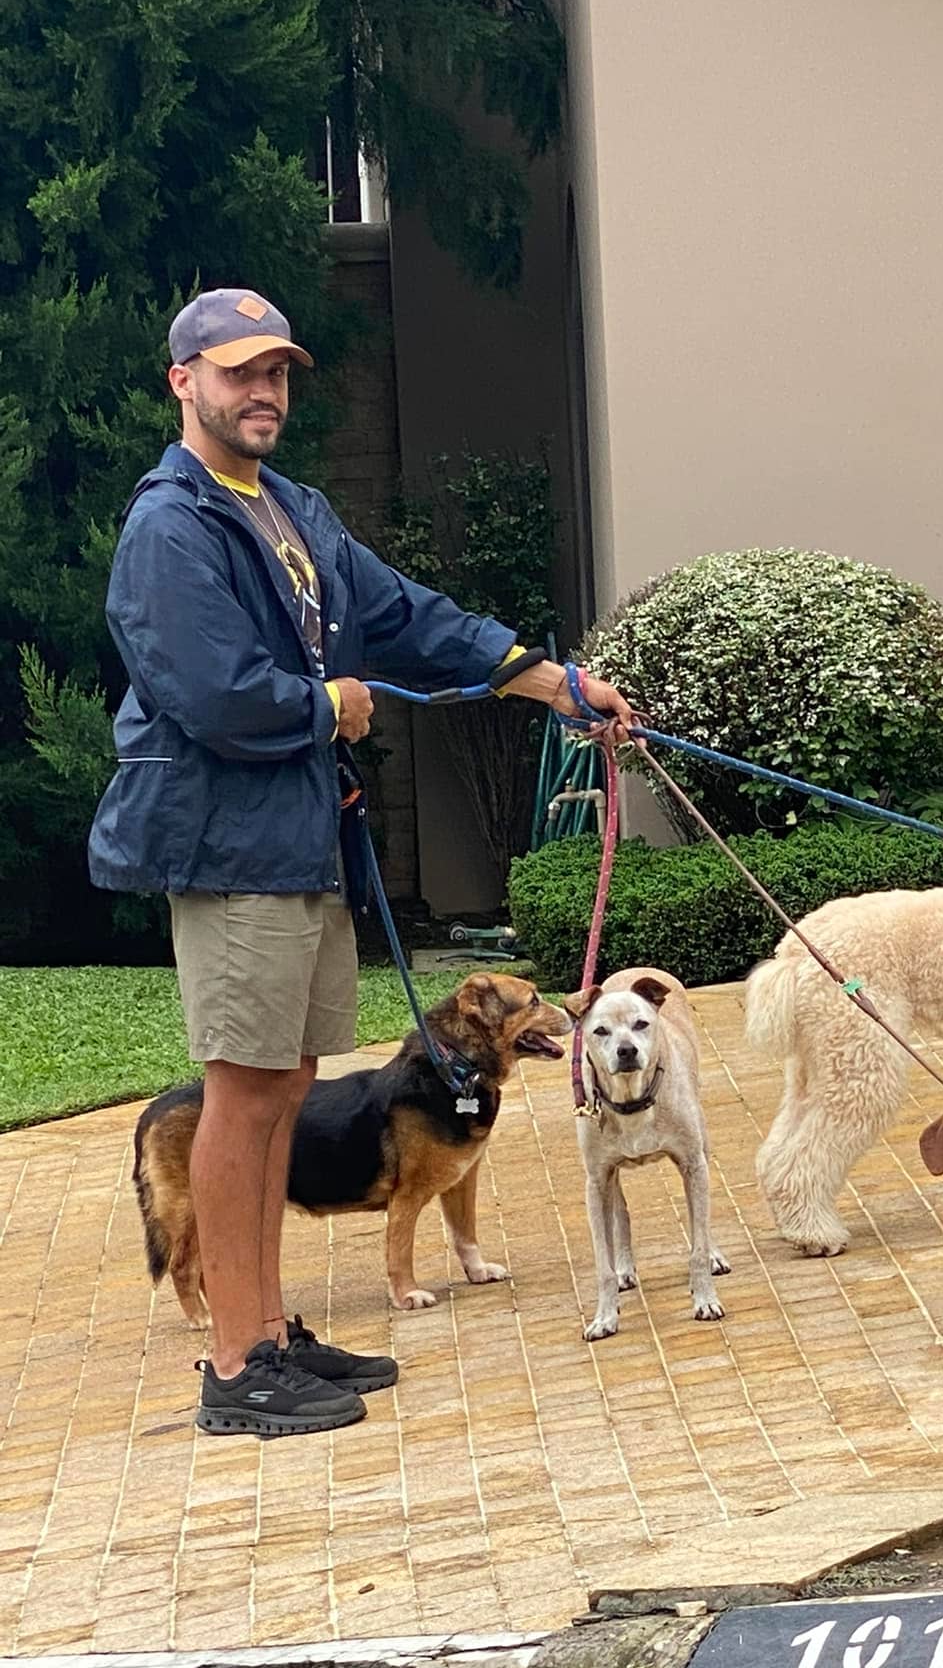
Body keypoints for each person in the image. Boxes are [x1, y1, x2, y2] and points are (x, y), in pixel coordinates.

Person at [89, 288, 635, 1439]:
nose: (264, 391)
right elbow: (214, 694)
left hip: (302, 841)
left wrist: (554, 684)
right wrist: (326, 701)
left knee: (285, 1084)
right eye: (238, 372)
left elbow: (404, 612)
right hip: (234, 846)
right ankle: (237, 1367)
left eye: (278, 372)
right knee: (243, 1091)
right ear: (183, 380)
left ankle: (273, 1329)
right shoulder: (170, 526)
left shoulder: (292, 508)